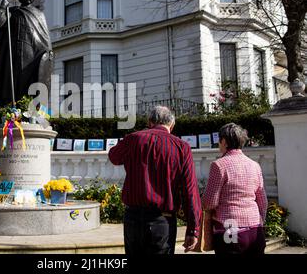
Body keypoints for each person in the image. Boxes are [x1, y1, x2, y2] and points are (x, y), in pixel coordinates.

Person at [108, 106, 202, 255]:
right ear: (172, 124)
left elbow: (113, 156)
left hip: (133, 217)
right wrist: (193, 229)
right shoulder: (181, 147)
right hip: (162, 219)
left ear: (150, 122)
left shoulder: (133, 139)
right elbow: (190, 190)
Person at [202, 123, 268, 255]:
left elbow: (210, 202)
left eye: (219, 141)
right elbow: (262, 201)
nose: (218, 144)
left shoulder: (219, 165)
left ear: (224, 141)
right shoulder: (254, 165)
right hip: (255, 229)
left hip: (230, 229)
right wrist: (260, 220)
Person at [0, 0, 54, 107]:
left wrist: (48, 55)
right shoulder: (12, 12)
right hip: (13, 55)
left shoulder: (39, 14)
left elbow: (44, 37)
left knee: (28, 83)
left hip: (30, 55)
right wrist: (2, 7)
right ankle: (12, 109)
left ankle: (28, 109)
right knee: (12, 84)